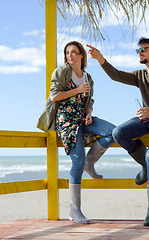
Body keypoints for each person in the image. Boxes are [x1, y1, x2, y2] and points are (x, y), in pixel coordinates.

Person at [87, 37, 149, 226]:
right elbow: (116, 75)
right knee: (118, 132)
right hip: (146, 120)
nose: (140, 53)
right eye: (138, 50)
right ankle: (145, 167)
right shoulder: (140, 75)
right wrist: (100, 59)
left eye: (143, 49)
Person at [37, 41, 115, 224]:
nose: (69, 56)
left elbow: (89, 101)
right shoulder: (62, 72)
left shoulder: (88, 77)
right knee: (76, 160)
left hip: (82, 118)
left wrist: (89, 113)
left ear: (81, 55)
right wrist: (77, 90)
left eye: (73, 52)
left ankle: (91, 161)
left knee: (113, 132)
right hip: (66, 120)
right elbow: (54, 96)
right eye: (67, 53)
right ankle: (75, 210)